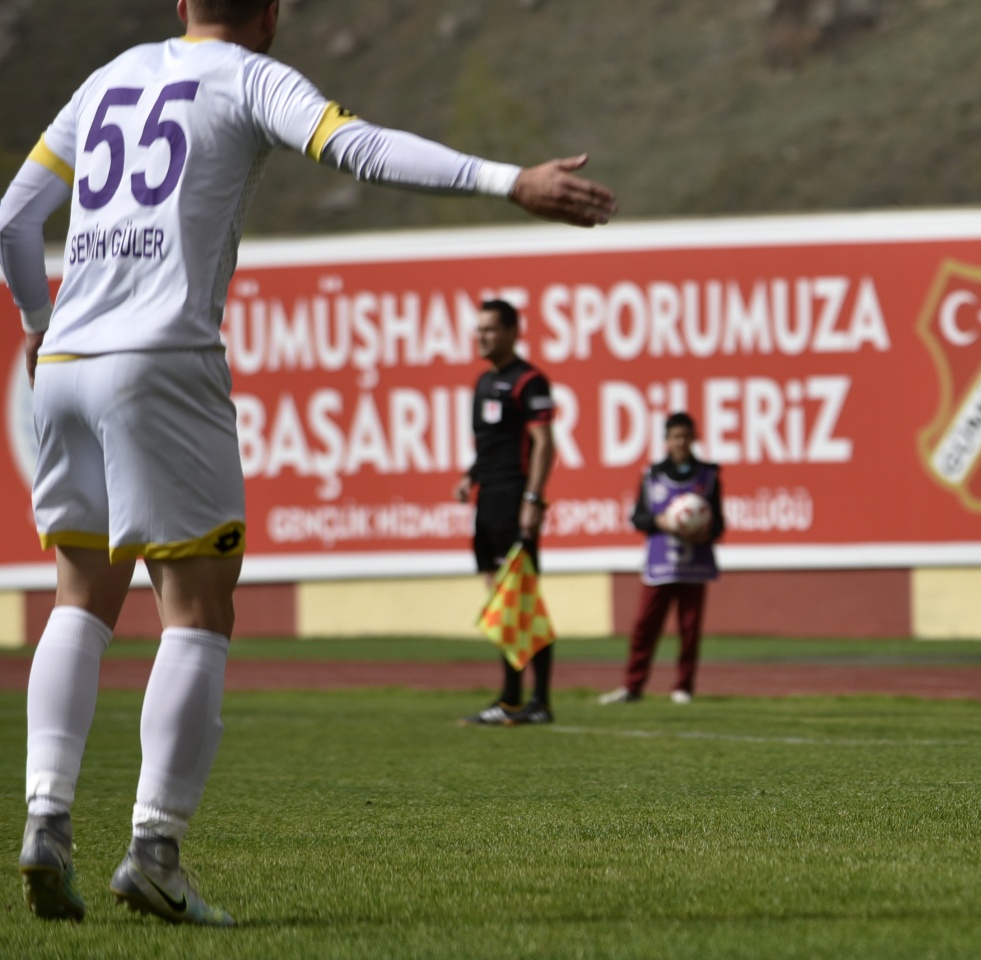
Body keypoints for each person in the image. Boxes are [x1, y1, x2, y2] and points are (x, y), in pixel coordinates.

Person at [0, 0, 615, 926]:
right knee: (197, 611)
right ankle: (155, 850)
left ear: (180, 5)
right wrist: (509, 181)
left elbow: (12, 220)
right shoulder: (251, 77)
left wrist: (42, 328)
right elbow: (360, 150)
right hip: (160, 364)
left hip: (69, 370)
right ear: (272, 13)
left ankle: (45, 819)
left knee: (82, 597)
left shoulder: (106, 79)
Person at [454, 299, 557, 727]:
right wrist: (470, 475)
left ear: (514, 332)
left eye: (490, 329)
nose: (482, 337)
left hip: (516, 500)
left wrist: (532, 500)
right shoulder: (482, 383)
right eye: (479, 329)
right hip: (488, 501)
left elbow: (544, 445)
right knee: (501, 600)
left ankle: (536, 700)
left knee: (523, 601)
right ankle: (513, 700)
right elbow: (490, 445)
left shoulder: (529, 381)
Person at [599, 412, 724, 706]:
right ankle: (632, 686)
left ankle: (684, 686)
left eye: (686, 436)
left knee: (690, 629)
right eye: (675, 437)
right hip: (660, 563)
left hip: (695, 562)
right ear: (666, 441)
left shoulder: (709, 475)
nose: (681, 442)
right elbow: (638, 517)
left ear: (694, 438)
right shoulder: (652, 474)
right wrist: (663, 522)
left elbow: (719, 522)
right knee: (645, 624)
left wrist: (704, 532)